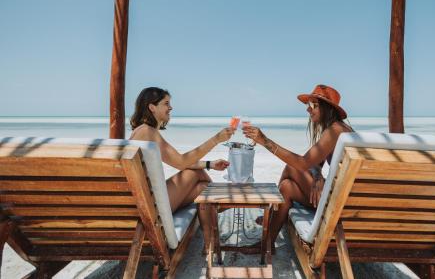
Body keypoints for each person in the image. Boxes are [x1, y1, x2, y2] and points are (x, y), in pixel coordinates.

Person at [243, 84, 353, 246]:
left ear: (328, 109)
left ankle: (274, 211)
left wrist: (265, 141)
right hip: (342, 204)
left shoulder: (335, 131)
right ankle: (267, 245)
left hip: (341, 209)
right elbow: (314, 164)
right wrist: (317, 176)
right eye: (309, 105)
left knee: (291, 167)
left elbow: (302, 164)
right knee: (287, 187)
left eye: (313, 105)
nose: (308, 110)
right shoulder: (338, 130)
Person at [129, 87, 235, 247]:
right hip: (149, 207)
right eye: (166, 103)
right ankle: (222, 202)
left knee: (203, 188)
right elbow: (180, 162)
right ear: (152, 107)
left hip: (146, 200)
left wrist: (209, 164)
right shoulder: (147, 131)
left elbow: (178, 161)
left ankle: (211, 242)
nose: (170, 108)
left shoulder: (144, 132)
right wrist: (216, 139)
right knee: (197, 175)